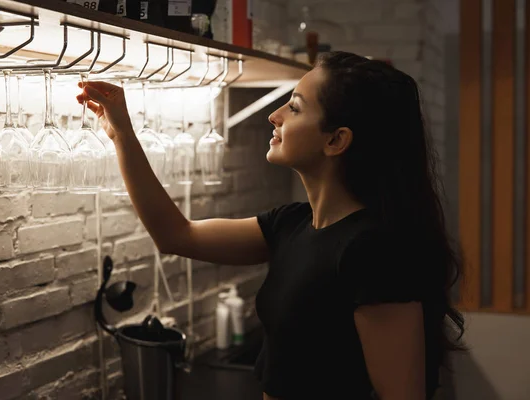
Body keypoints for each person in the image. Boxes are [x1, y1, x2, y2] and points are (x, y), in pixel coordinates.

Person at [76, 51, 465, 400]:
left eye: (294, 108)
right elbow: (176, 235)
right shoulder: (291, 224)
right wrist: (122, 134)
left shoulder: (374, 250)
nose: (273, 115)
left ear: (336, 140)